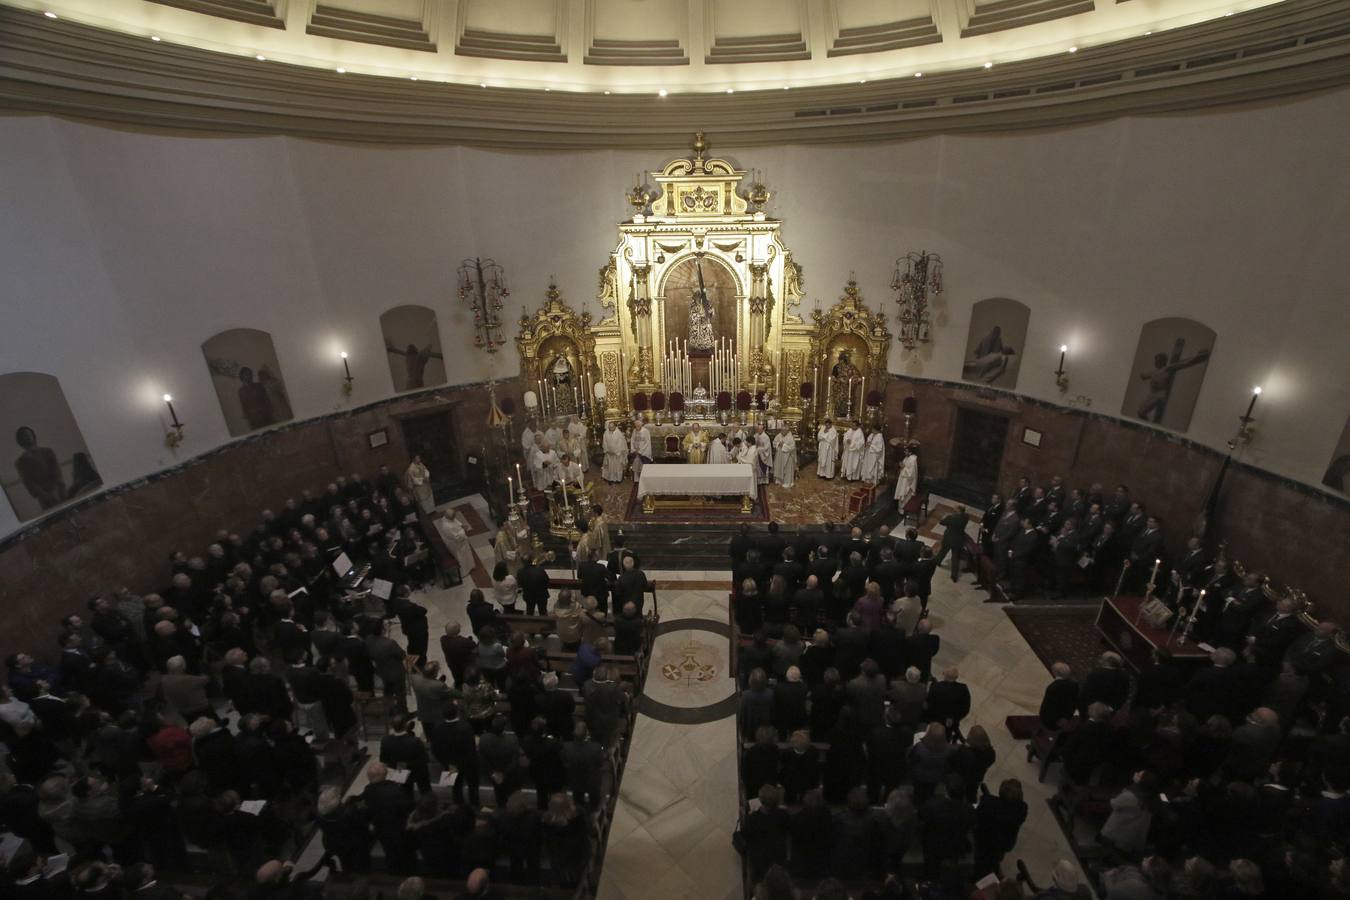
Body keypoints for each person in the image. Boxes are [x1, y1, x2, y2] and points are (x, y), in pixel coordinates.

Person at [14, 425, 66, 510]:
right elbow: (28, 482)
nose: (27, 437)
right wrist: (45, 495)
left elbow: (57, 472)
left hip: (59, 490)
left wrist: (55, 490)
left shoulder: (48, 451)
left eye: (28, 434)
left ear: (33, 435)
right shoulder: (20, 462)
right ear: (20, 440)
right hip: (43, 497)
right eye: (24, 436)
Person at [434, 508, 476, 576]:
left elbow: (455, 521)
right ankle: (464, 572)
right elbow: (456, 537)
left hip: (461, 541)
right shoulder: (446, 526)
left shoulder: (448, 518)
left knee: (467, 554)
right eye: (453, 517)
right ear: (449, 516)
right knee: (461, 557)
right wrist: (463, 530)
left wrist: (461, 525)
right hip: (456, 544)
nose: (454, 518)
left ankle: (470, 566)